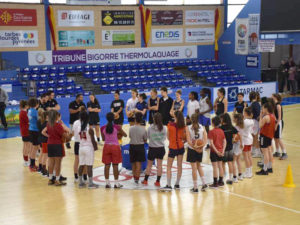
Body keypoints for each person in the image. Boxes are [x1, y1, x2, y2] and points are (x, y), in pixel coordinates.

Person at [42, 110, 70, 186]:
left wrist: (49, 137)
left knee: (51, 162)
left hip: (50, 144)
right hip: (57, 144)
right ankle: (57, 180)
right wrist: (71, 134)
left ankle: (50, 179)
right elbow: (66, 136)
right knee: (58, 163)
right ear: (56, 116)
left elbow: (44, 132)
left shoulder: (48, 124)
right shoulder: (58, 125)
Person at [73, 110, 99, 189]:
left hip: (81, 147)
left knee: (81, 164)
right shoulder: (89, 129)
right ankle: (90, 183)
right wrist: (96, 148)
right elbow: (93, 140)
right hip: (88, 148)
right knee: (89, 166)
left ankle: (81, 182)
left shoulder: (78, 127)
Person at [101, 112, 127, 188]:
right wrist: (119, 133)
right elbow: (125, 135)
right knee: (115, 165)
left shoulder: (102, 128)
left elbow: (103, 139)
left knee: (107, 165)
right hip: (115, 147)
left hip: (106, 146)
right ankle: (116, 183)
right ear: (114, 118)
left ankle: (107, 183)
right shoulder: (117, 127)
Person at [161, 111, 185, 191]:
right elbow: (184, 138)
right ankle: (177, 184)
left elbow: (168, 137)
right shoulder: (183, 126)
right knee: (179, 166)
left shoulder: (170, 125)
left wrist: (172, 140)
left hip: (172, 147)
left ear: (175, 116)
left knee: (169, 166)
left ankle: (168, 185)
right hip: (181, 147)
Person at [142, 113, 167, 187]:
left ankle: (145, 180)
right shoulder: (164, 128)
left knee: (149, 165)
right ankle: (158, 182)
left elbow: (148, 137)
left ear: (154, 119)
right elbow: (164, 138)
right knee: (159, 165)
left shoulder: (150, 128)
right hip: (161, 148)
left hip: (152, 148)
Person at [186, 113, 208, 193]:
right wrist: (200, 148)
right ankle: (204, 183)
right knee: (199, 166)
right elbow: (205, 141)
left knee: (194, 169)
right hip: (200, 150)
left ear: (191, 120)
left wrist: (194, 148)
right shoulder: (203, 127)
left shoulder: (188, 128)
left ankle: (195, 188)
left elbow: (188, 141)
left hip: (192, 150)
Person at [256, 102, 276, 175]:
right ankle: (269, 167)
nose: (262, 109)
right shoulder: (273, 116)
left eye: (263, 108)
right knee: (269, 151)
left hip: (264, 136)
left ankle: (264, 169)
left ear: (266, 108)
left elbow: (260, 126)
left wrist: (261, 116)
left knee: (265, 153)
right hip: (270, 136)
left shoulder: (266, 117)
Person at [129, 112, 147, 184]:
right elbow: (145, 139)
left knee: (133, 163)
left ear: (135, 119)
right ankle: (137, 179)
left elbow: (130, 136)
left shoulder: (131, 128)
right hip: (140, 146)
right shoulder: (143, 129)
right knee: (138, 163)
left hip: (132, 146)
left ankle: (134, 178)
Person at [208, 116, 226, 189]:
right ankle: (221, 181)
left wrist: (216, 151)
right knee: (220, 166)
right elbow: (225, 141)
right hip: (221, 151)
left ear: (212, 123)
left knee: (215, 167)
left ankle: (215, 183)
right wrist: (223, 151)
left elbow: (211, 143)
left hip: (214, 151)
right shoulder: (221, 131)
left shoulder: (211, 132)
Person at [220, 113, 238, 185]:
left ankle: (222, 179)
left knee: (222, 163)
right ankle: (230, 178)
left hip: (223, 148)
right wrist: (233, 139)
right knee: (230, 162)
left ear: (223, 119)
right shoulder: (231, 127)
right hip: (230, 147)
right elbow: (237, 133)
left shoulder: (221, 128)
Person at [72, 108, 88, 183]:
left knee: (77, 160)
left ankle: (76, 176)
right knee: (84, 161)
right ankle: (85, 177)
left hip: (77, 143)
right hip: (84, 143)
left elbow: (72, 133)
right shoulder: (86, 124)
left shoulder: (75, 123)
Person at [240, 107, 255, 178]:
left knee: (246, 157)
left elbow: (240, 130)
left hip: (245, 140)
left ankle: (248, 173)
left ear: (245, 113)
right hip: (250, 139)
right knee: (249, 156)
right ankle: (250, 172)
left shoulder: (245, 121)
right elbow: (252, 131)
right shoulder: (252, 120)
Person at [272, 94, 287, 160]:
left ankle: (284, 153)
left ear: (275, 97)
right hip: (275, 122)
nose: (271, 97)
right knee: (275, 138)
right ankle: (277, 151)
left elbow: (280, 117)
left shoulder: (278, 105)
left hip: (279, 123)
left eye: (272, 96)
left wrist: (276, 125)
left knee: (279, 138)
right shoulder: (274, 105)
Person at [28, 98, 39, 172]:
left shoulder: (29, 110)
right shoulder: (35, 112)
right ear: (36, 104)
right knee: (35, 148)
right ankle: (32, 165)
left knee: (32, 148)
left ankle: (32, 164)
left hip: (31, 129)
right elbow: (40, 120)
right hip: (35, 130)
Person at [233, 113, 245, 182]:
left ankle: (235, 177)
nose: (233, 119)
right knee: (238, 160)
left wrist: (233, 141)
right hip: (241, 144)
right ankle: (240, 175)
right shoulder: (242, 126)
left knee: (233, 161)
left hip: (237, 145)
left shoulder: (235, 128)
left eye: (234, 118)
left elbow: (237, 137)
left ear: (236, 119)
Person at [37, 109, 48, 177]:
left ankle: (40, 168)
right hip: (45, 139)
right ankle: (44, 170)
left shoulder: (39, 121)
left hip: (40, 138)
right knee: (45, 154)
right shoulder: (47, 123)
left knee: (41, 153)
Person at [249, 91, 261, 157]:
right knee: (254, 136)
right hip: (254, 121)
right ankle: (254, 150)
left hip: (255, 122)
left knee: (255, 137)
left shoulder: (255, 104)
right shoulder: (254, 103)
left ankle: (257, 152)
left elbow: (258, 114)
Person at [19, 100, 30, 166]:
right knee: (27, 146)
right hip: (26, 131)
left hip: (24, 131)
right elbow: (28, 121)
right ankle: (26, 161)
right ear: (26, 106)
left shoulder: (22, 112)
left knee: (25, 146)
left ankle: (25, 159)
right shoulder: (24, 113)